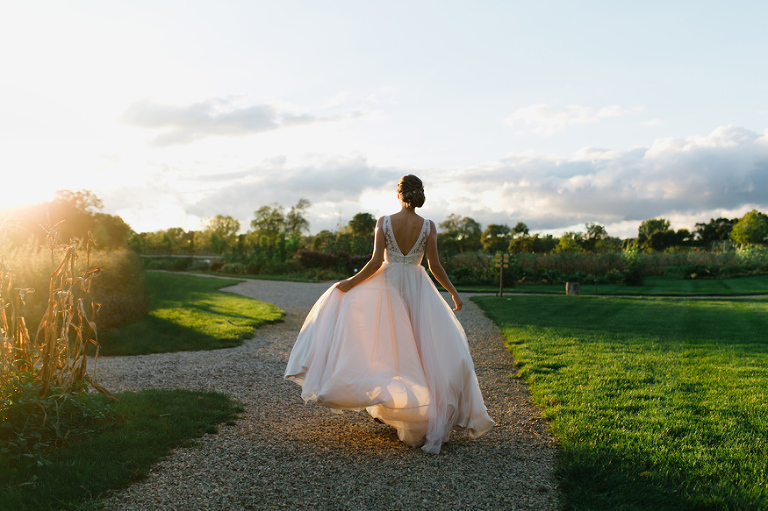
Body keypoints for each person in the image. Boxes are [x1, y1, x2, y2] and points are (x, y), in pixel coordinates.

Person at [284, 175, 494, 454]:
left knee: (390, 350)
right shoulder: (429, 226)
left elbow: (374, 263)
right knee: (424, 351)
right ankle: (421, 412)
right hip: (419, 290)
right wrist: (453, 292)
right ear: (419, 195)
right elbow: (435, 266)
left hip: (388, 288)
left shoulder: (383, 222)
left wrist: (349, 284)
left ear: (399, 195)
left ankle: (405, 408)